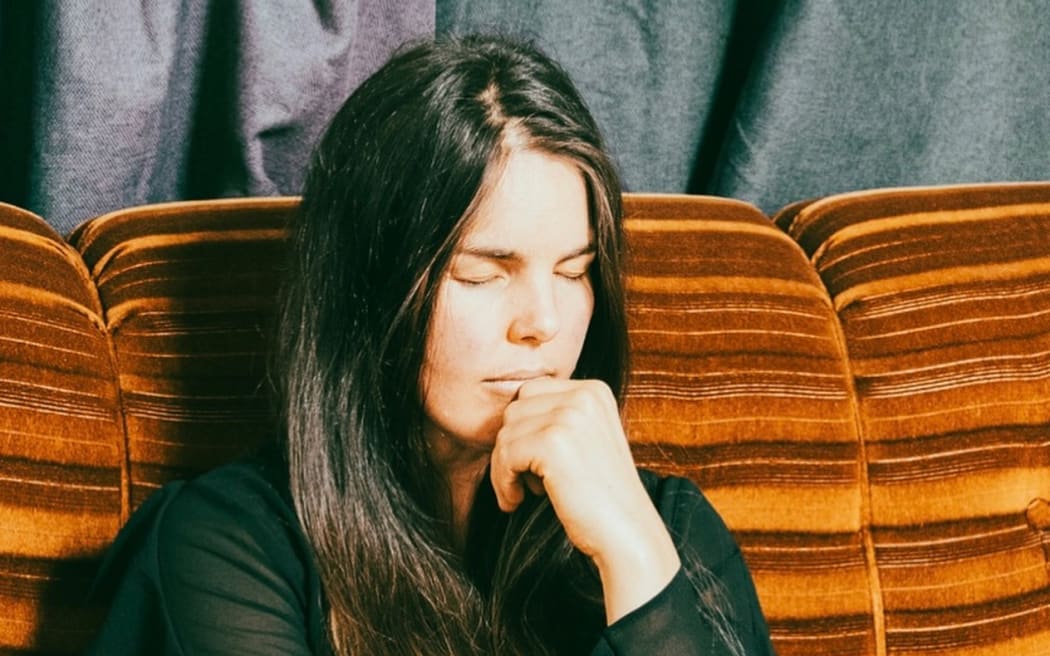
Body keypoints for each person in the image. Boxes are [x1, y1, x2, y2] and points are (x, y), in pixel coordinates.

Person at [86, 35, 776, 655]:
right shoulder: (228, 546)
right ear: (371, 287)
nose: (543, 322)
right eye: (482, 273)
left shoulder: (667, 530)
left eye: (574, 271)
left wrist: (636, 560)